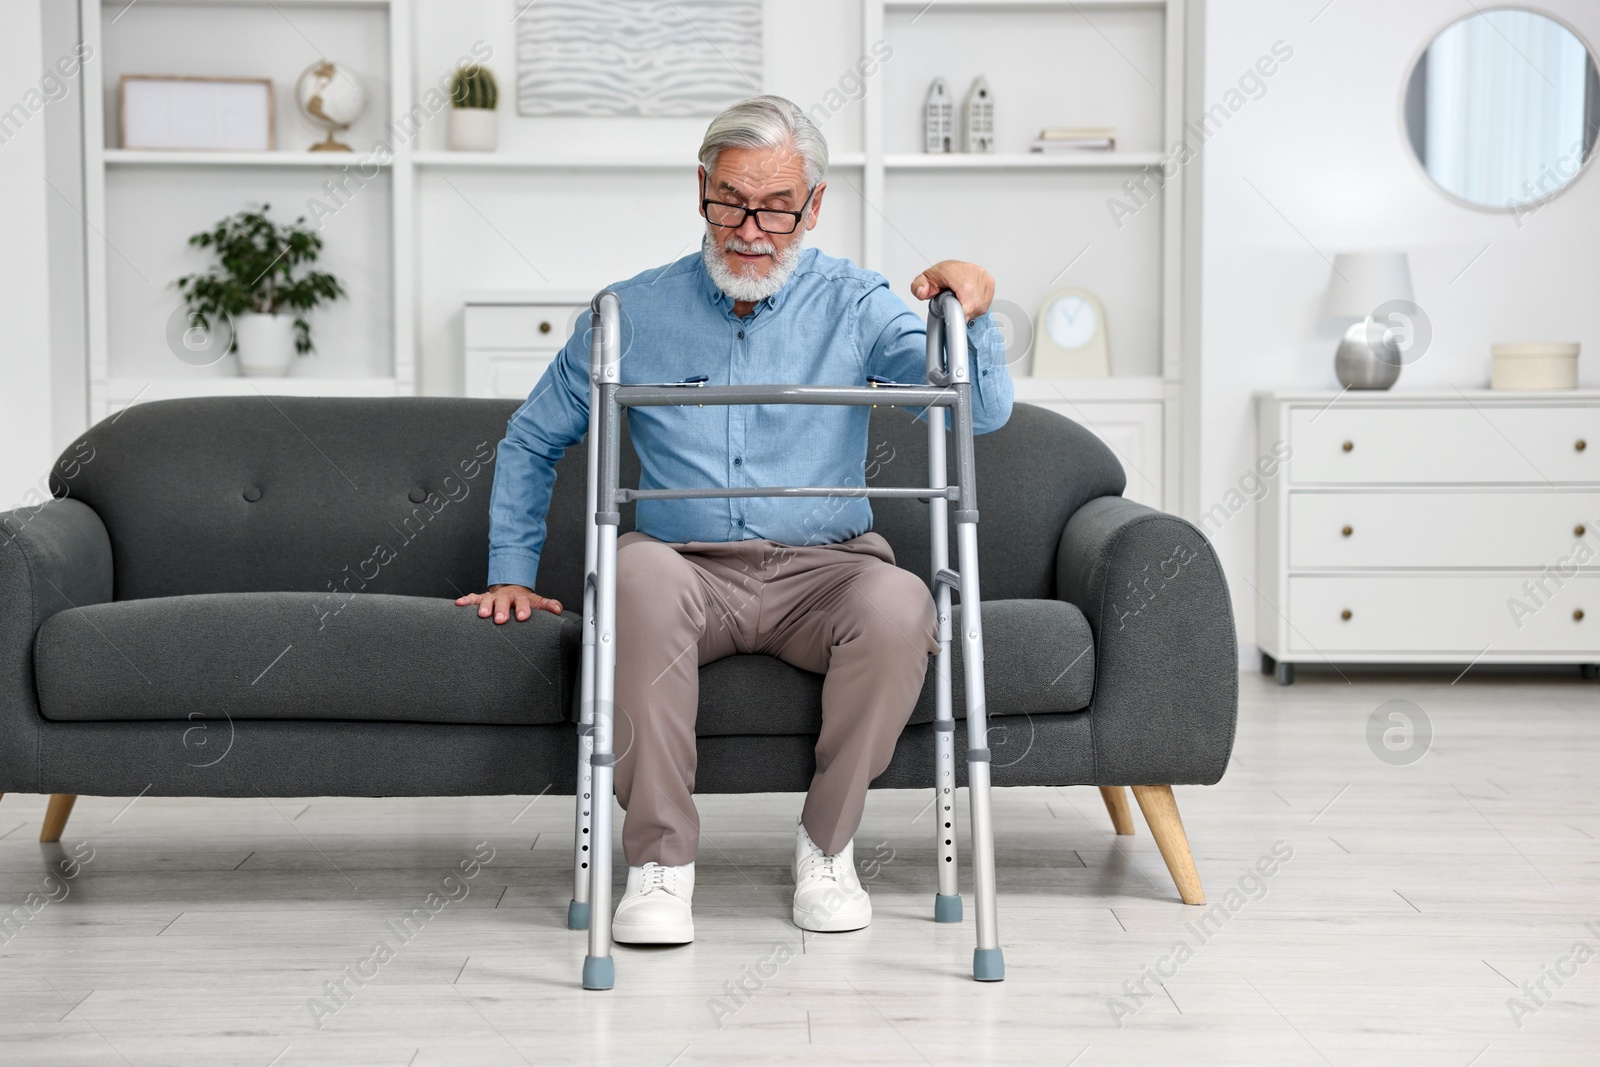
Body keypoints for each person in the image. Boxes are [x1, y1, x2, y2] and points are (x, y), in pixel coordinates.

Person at [456, 95, 1013, 945]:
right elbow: (532, 438)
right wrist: (510, 573)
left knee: (903, 603)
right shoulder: (628, 312)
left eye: (778, 208)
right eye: (730, 203)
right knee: (632, 572)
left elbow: (976, 415)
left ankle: (827, 850)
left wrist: (973, 312)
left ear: (814, 205)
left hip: (828, 571)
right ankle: (659, 868)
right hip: (685, 567)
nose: (751, 229)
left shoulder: (858, 304)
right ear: (702, 190)